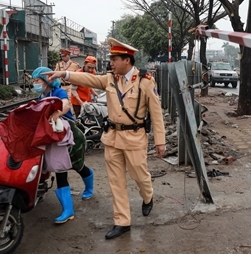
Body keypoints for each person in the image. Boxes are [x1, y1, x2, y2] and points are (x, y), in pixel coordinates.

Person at [44, 38, 166, 239]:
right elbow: (87, 80)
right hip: (112, 138)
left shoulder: (145, 81)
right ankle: (122, 221)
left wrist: (160, 140)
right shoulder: (110, 79)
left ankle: (148, 195)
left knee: (139, 176)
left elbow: (156, 112)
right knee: (116, 182)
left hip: (135, 138)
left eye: (114, 59)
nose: (111, 62)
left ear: (127, 60)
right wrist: (64, 73)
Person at [31, 66, 95, 224]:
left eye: (37, 80)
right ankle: (68, 210)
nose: (35, 83)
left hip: (69, 137)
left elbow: (65, 104)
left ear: (47, 81)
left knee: (77, 166)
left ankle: (88, 189)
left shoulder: (58, 92)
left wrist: (58, 113)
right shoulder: (41, 97)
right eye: (34, 81)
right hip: (53, 138)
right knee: (59, 169)